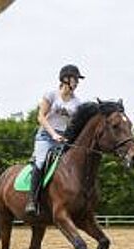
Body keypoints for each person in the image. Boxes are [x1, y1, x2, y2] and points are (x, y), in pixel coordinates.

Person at [25, 64, 85, 215]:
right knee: (41, 162)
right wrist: (53, 134)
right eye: (75, 79)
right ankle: (32, 201)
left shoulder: (78, 103)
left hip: (64, 138)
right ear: (65, 79)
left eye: (78, 80)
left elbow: (74, 124)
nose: (77, 82)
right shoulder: (51, 95)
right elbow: (40, 117)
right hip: (45, 135)